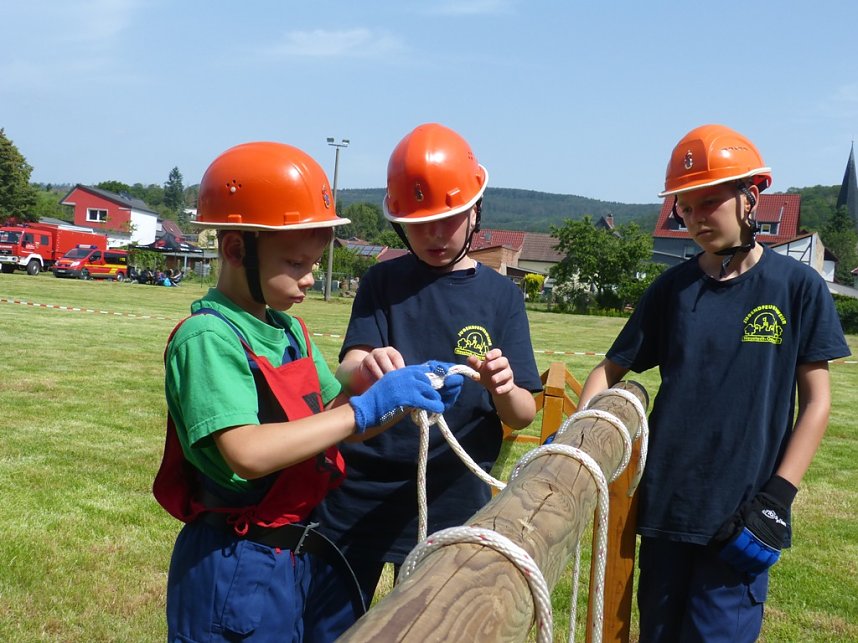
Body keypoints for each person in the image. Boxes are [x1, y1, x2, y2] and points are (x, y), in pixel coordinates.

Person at [152, 141, 463, 642]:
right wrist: (366, 410)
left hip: (292, 558)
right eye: (296, 263)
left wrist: (400, 399)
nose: (311, 277)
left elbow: (335, 420)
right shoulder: (208, 337)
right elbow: (247, 453)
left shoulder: (289, 331)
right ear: (235, 249)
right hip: (232, 564)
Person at [577, 124, 850, 642]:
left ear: (750, 198)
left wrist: (778, 498)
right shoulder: (673, 289)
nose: (697, 218)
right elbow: (608, 370)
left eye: (710, 203)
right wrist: (577, 439)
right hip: (664, 511)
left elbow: (817, 403)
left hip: (740, 519)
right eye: (686, 207)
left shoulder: (797, 289)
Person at [306, 123, 543, 639]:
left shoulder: (503, 298)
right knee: (331, 629)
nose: (436, 235)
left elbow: (524, 412)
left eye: (449, 219)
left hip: (453, 496)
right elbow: (346, 365)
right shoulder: (381, 282)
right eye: (421, 224)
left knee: (437, 629)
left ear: (476, 211)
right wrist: (369, 366)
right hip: (361, 495)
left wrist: (504, 388)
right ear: (399, 225)